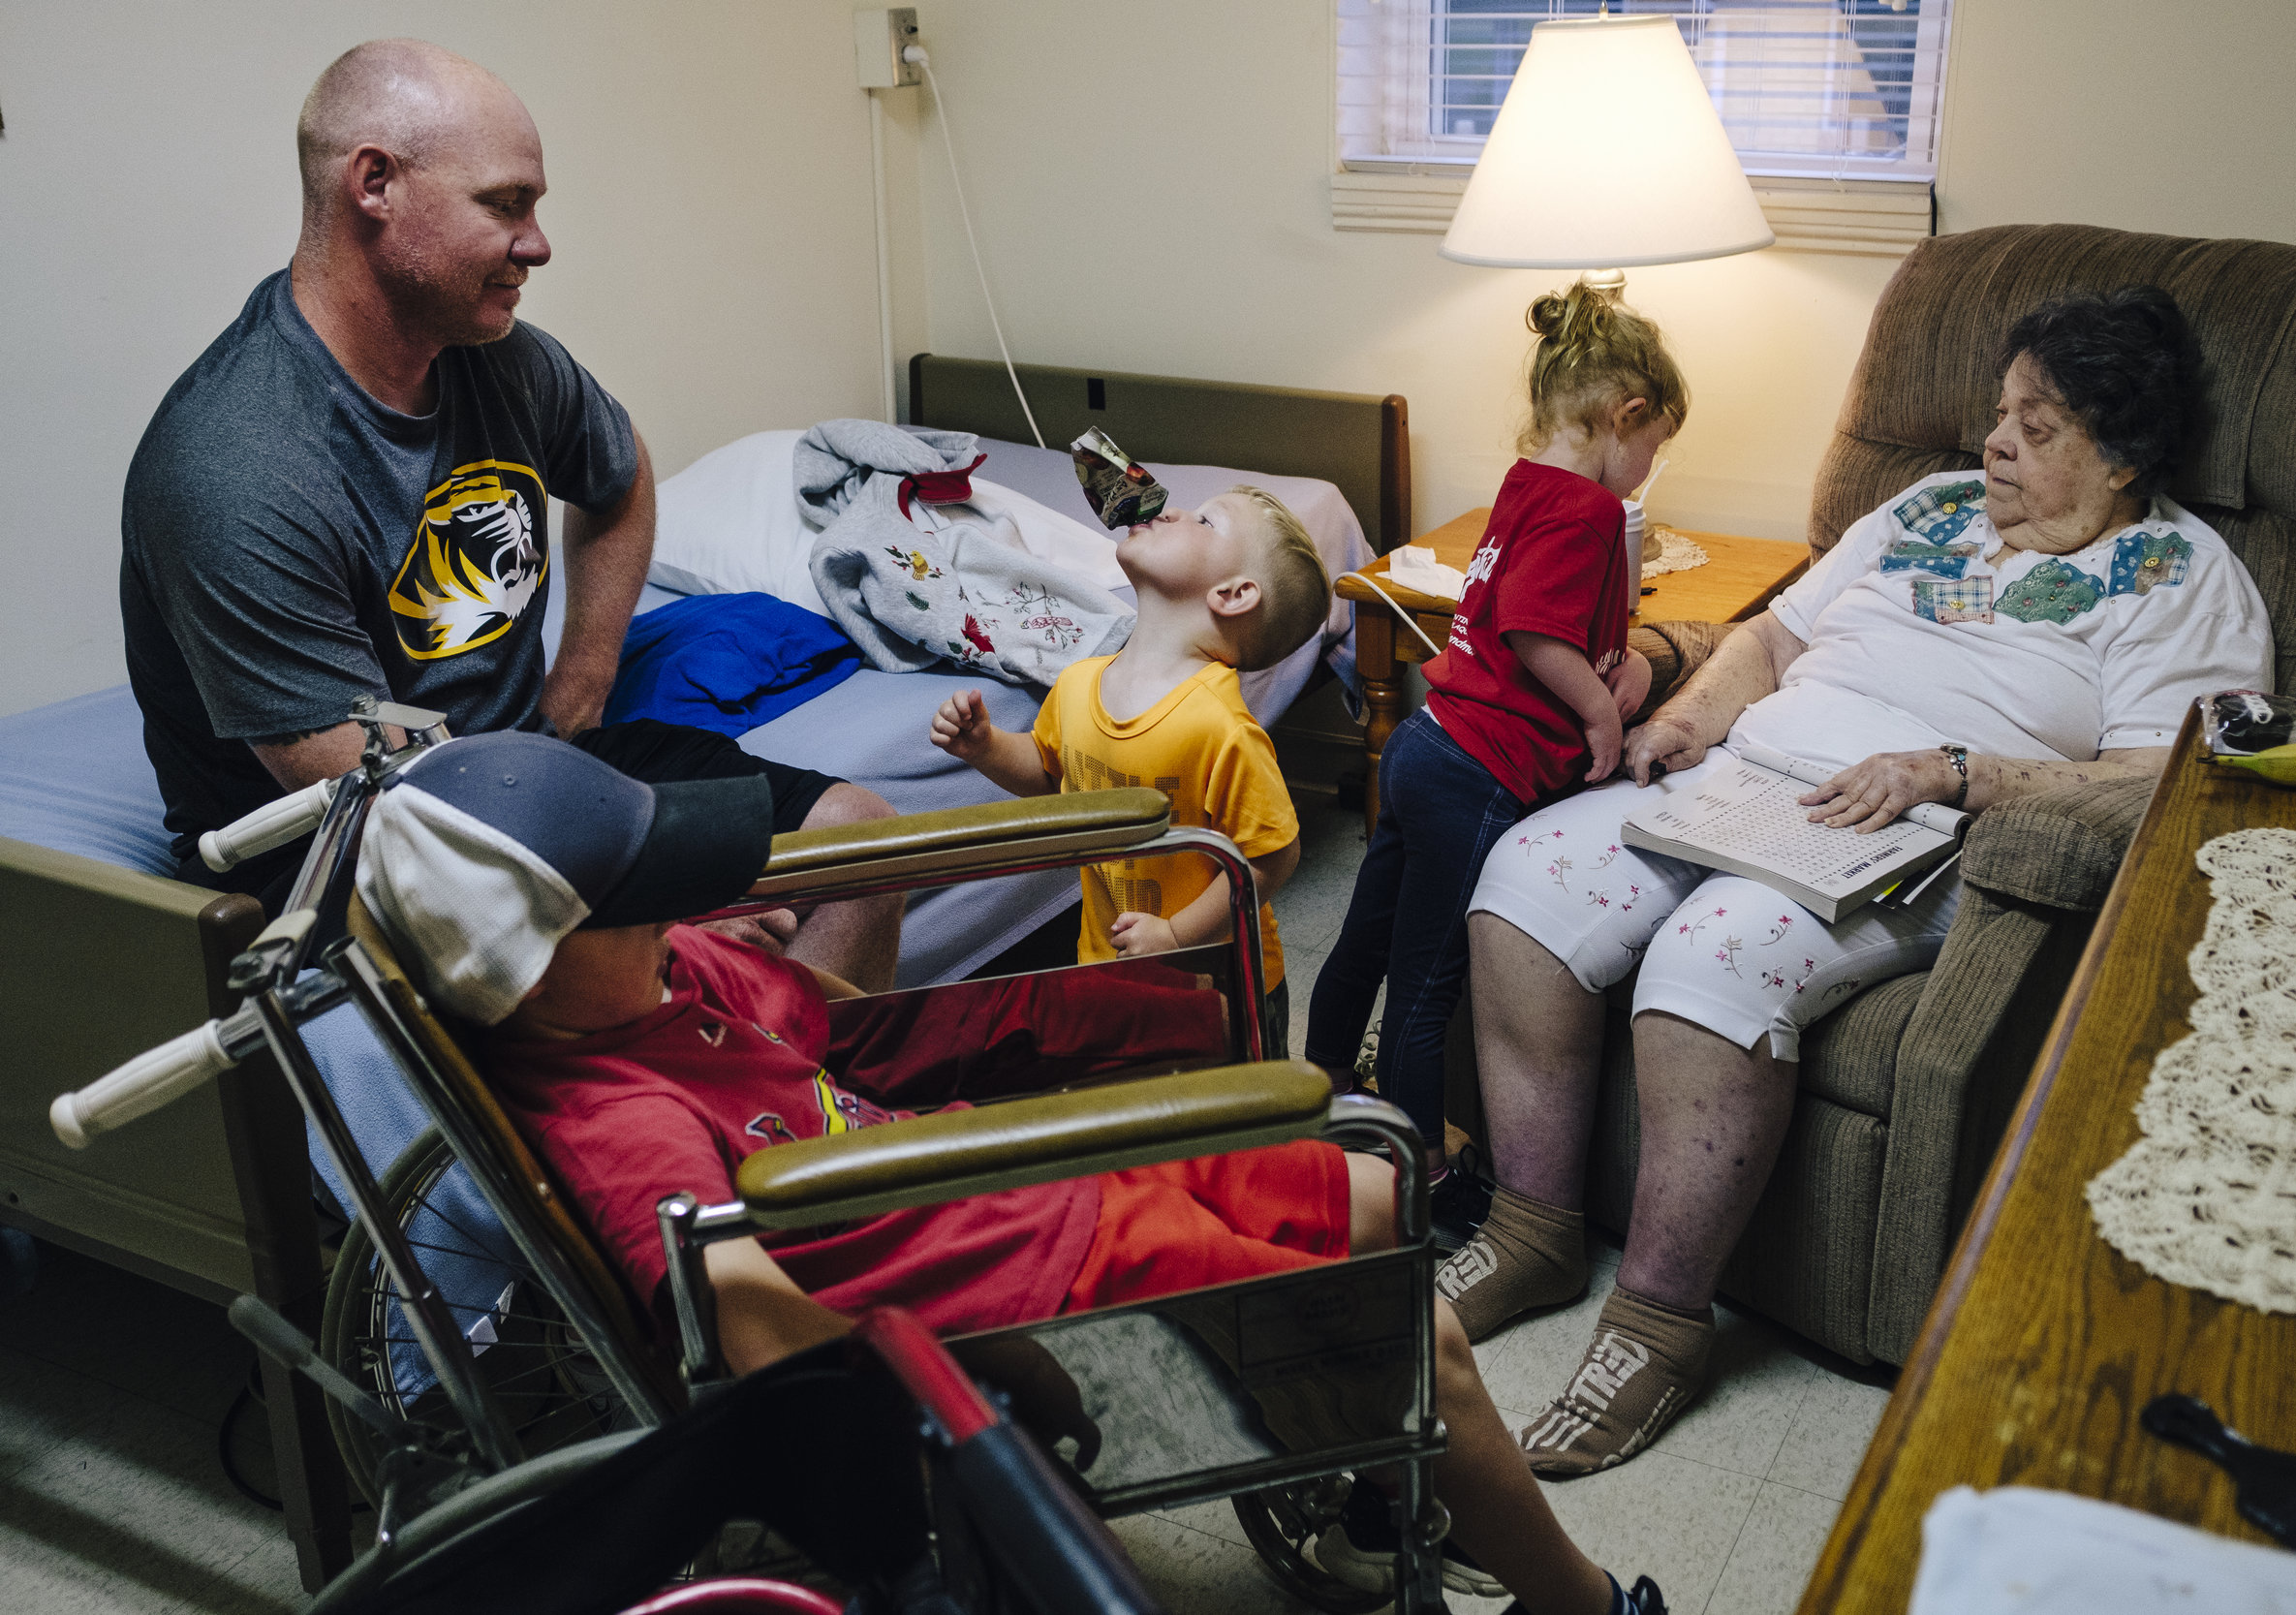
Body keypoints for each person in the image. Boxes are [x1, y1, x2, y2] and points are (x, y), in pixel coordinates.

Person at [357, 729, 1665, 1615]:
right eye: (637, 898)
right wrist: (975, 1388)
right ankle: (1587, 1600)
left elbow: (831, 1022)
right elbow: (747, 1323)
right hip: (1025, 1267)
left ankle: (1384, 1479)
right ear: (528, 964)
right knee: (1409, 1333)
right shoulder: (616, 1116)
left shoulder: (647, 976)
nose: (672, 912)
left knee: (1372, 1197)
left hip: (1014, 1182)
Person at [1444, 286, 2273, 1476]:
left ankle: (1660, 1320)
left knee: (1709, 957)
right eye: (2000, 413)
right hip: (1746, 772)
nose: (1993, 443)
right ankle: (1531, 1224)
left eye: (2038, 430)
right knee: (1522, 879)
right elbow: (1774, 636)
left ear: (2126, 456)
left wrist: (1956, 771)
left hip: (1914, 823)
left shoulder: (2184, 576)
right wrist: (1691, 712)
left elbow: (2161, 775)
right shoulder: (1928, 504)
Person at [118, 38, 899, 985]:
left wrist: (583, 675)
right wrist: (655, 908)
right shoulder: (237, 463)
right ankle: (736, 1094)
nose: (538, 242)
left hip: (522, 767)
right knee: (665, 960)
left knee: (861, 844)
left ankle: (808, 1112)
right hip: (333, 845)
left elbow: (619, 478)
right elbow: (397, 803)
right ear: (375, 185)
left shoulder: (504, 361)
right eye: (505, 204)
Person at [1303, 281, 1678, 1239]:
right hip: (1479, 768)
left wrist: (1615, 655)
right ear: (1624, 416)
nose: (1647, 471)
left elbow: (1523, 606)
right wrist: (1600, 713)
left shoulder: (1523, 481)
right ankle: (1423, 1171)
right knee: (1429, 983)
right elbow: (1533, 631)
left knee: (1366, 936)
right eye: (1653, 448)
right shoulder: (1592, 512)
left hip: (1426, 741)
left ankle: (1321, 1090)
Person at [929, 488, 1326, 1053]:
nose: (1171, 509)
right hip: (1106, 961)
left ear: (1233, 594)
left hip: (1218, 982)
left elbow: (1272, 855)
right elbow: (1056, 782)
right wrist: (986, 746)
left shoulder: (1218, 726)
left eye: (1205, 519)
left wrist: (1175, 934)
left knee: (1235, 1129)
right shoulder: (1078, 684)